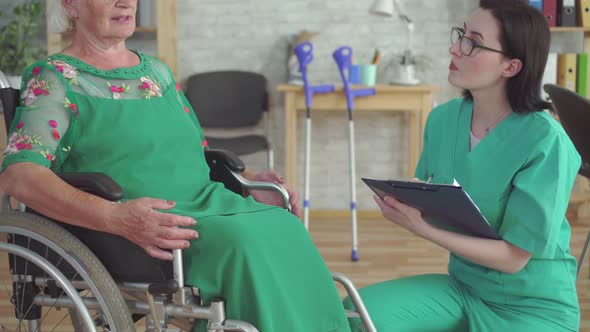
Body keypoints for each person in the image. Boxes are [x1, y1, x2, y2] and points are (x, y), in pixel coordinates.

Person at [0, 1, 352, 331]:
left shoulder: (158, 74)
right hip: (147, 225)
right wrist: (115, 217)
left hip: (209, 202)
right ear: (71, 5)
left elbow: (194, 155)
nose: (126, 2)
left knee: (285, 226)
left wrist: (248, 184)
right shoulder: (54, 78)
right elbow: (20, 175)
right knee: (242, 242)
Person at [345, 0, 581, 331]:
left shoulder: (546, 141)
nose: (455, 48)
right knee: (355, 315)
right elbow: (436, 191)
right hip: (463, 288)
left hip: (532, 307)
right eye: (460, 35)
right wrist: (408, 198)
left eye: (472, 42)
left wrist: (423, 228)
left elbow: (514, 259)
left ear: (510, 67)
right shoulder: (443, 119)